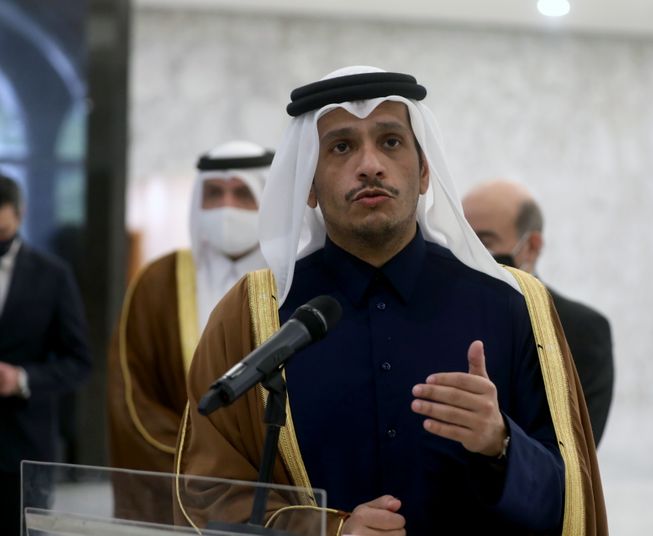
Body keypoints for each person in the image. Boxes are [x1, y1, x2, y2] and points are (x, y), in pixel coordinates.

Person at [175, 67, 606, 536]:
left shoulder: (512, 305)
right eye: (341, 147)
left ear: (424, 172)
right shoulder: (254, 315)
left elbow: (572, 504)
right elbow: (204, 492)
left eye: (391, 142)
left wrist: (500, 443)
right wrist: (328, 530)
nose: (370, 165)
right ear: (309, 186)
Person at [106, 141, 273, 522]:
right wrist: (204, 465)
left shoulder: (299, 278)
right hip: (181, 485)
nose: (226, 207)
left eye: (242, 193)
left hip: (280, 488)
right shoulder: (158, 282)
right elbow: (133, 400)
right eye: (214, 193)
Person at [462, 180, 615, 445]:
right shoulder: (442, 313)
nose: (470, 255)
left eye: (485, 243)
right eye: (462, 240)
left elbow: (576, 453)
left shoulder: (581, 330)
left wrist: (501, 441)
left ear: (531, 246)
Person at [0, 174, 91, 535]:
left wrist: (21, 378)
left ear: (19, 215)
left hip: (22, 448)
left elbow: (79, 362)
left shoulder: (52, 275)